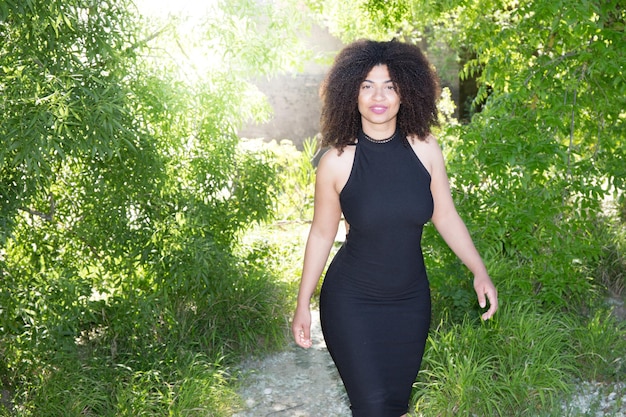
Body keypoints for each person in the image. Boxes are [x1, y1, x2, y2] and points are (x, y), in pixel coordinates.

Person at [291, 39, 498, 417]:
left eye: (389, 85)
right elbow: (322, 233)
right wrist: (302, 302)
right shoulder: (336, 161)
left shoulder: (425, 148)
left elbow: (445, 215)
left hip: (410, 302)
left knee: (395, 407)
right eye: (367, 85)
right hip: (351, 301)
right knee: (371, 408)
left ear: (407, 91)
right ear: (350, 92)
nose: (378, 95)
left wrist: (479, 271)